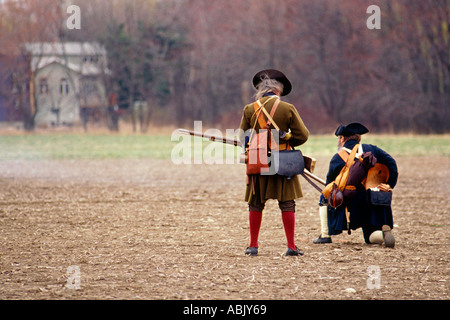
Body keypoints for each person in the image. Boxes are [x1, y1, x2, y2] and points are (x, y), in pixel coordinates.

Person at [239, 69, 310, 256]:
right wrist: (286, 139)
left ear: (261, 90)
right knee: (287, 203)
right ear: (278, 91)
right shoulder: (287, 109)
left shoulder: (249, 109)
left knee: (255, 203)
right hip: (283, 162)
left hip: (257, 161)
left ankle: (253, 246)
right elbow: (302, 136)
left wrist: (255, 141)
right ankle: (291, 247)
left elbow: (242, 138)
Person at [313, 123, 398, 247]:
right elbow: (391, 162)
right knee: (369, 236)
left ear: (342, 139)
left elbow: (329, 186)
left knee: (324, 197)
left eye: (339, 138)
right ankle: (383, 235)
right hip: (375, 200)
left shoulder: (338, 158)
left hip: (353, 204)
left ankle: (325, 235)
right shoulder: (372, 149)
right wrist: (390, 185)